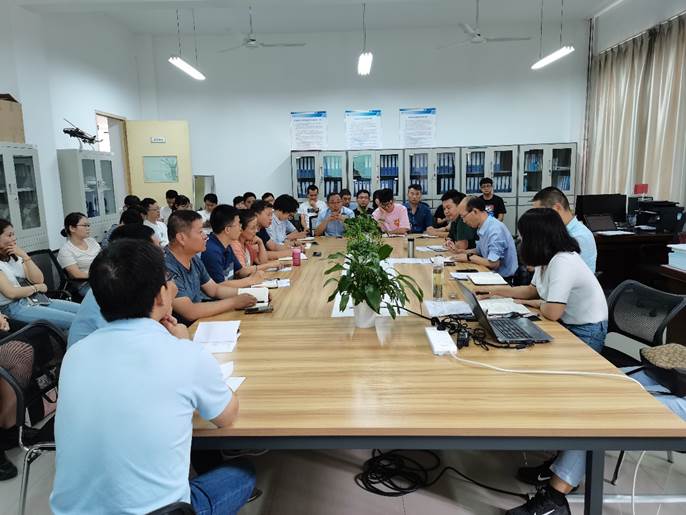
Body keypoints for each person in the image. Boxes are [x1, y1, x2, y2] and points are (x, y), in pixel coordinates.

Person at [50, 238, 256, 515]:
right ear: (160, 296)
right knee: (242, 473)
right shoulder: (184, 354)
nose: (173, 286)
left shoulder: (75, 355)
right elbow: (227, 416)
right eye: (169, 280)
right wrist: (186, 345)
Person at [498, 208, 608, 515]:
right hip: (569, 325)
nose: (520, 241)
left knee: (572, 400)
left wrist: (531, 303)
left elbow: (553, 311)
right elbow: (534, 291)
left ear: (537, 238)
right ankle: (557, 464)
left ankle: (557, 492)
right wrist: (494, 291)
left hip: (585, 332)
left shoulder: (563, 261)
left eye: (524, 236)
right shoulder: (548, 260)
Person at [68, 223, 159, 349]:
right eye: (156, 249)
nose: (162, 253)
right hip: (96, 356)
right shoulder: (108, 290)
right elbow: (131, 341)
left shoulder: (131, 282)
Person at [164, 210, 256, 323]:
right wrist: (234, 302)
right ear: (181, 238)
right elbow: (190, 311)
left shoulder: (193, 259)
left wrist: (253, 294)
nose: (205, 236)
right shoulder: (166, 266)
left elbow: (214, 289)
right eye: (200, 232)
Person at [0, 219, 78, 330]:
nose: (14, 238)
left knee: (85, 311)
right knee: (77, 321)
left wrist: (25, 256)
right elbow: (11, 293)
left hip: (33, 299)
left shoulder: (14, 256)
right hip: (13, 308)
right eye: (9, 235)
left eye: (13, 234)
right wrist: (37, 288)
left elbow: (38, 279)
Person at [201, 204, 268, 288]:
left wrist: (255, 272)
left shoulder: (226, 245)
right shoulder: (211, 251)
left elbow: (239, 271)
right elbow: (219, 286)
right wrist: (251, 280)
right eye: (239, 224)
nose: (240, 228)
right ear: (227, 230)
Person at [532, 187, 597, 272]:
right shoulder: (557, 231)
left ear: (557, 208)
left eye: (541, 214)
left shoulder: (579, 237)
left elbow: (561, 271)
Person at [453, 196, 518, 278]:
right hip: (490, 273)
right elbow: (480, 250)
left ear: (475, 211)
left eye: (463, 217)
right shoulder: (483, 226)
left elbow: (494, 263)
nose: (464, 221)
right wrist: (463, 252)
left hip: (503, 278)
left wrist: (469, 257)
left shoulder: (495, 230)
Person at [57, 212, 101, 297]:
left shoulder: (92, 241)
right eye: (84, 225)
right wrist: (100, 275)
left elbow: (105, 259)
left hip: (102, 279)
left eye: (88, 225)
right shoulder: (66, 250)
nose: (88, 228)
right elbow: (77, 274)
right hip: (85, 284)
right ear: (72, 228)